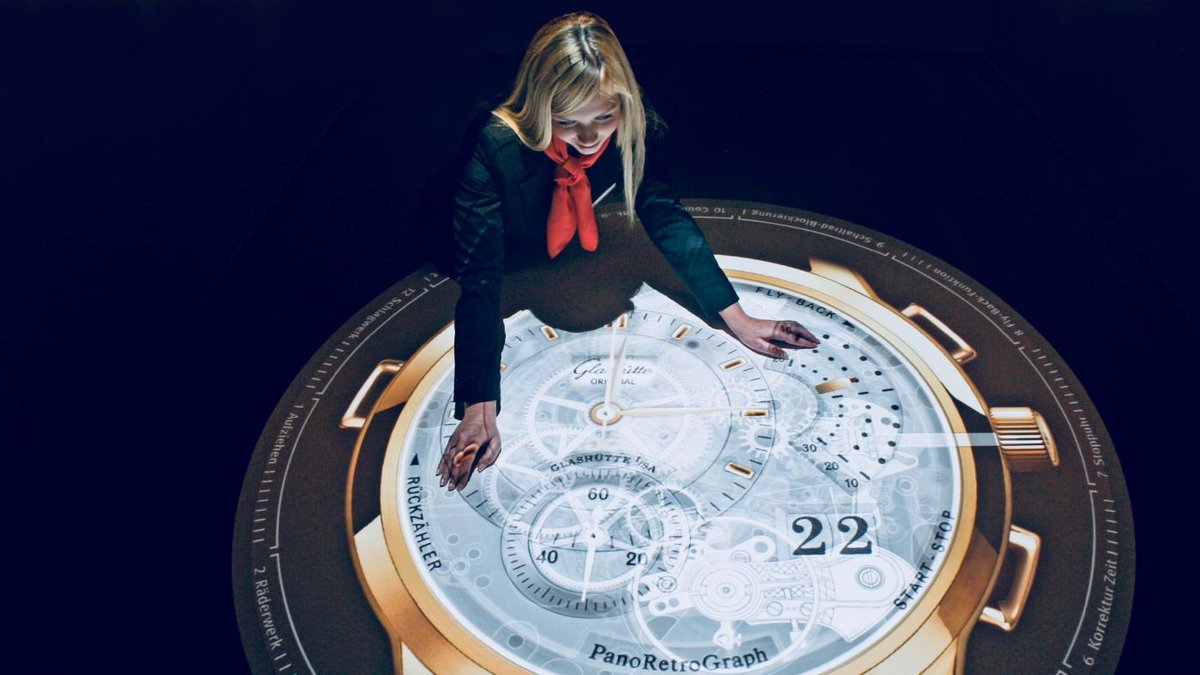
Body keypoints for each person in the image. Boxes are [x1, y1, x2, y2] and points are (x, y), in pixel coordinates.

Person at [437, 12, 819, 492]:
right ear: (540, 109)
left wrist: (737, 318)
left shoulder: (631, 126)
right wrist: (479, 409)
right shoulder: (496, 144)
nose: (589, 138)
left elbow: (666, 218)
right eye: (567, 122)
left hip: (560, 249)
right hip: (475, 246)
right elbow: (481, 279)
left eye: (603, 117)